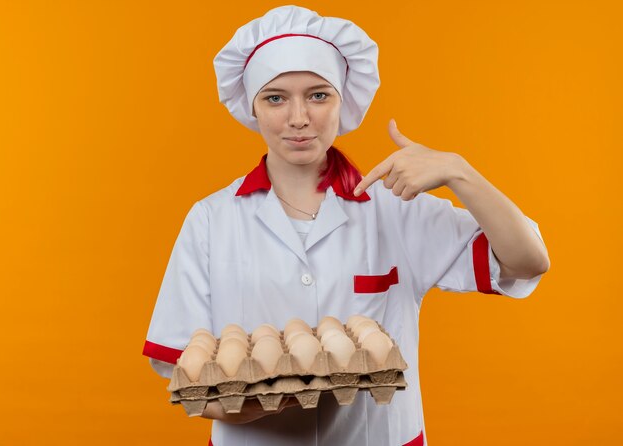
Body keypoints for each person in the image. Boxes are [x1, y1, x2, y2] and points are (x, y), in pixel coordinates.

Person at [142, 5, 550, 446]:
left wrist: (459, 172)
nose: (298, 117)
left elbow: (528, 262)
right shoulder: (212, 219)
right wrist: (268, 395)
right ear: (253, 108)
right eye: (275, 97)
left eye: (318, 95)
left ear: (343, 101)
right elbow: (181, 363)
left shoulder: (396, 208)